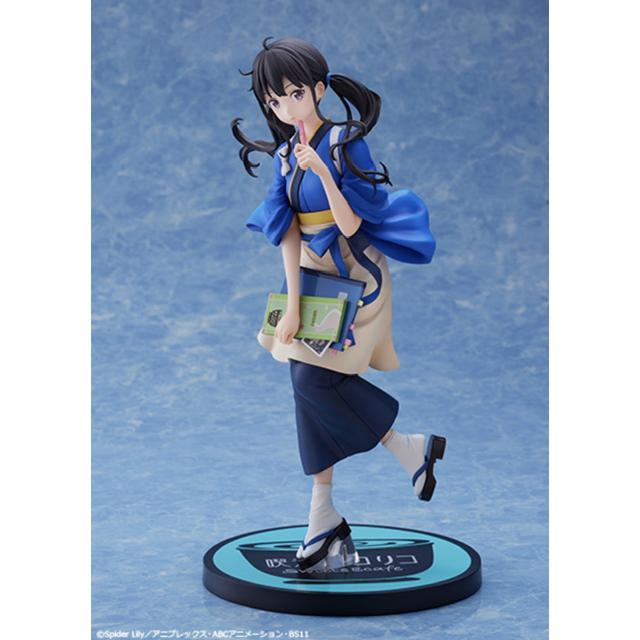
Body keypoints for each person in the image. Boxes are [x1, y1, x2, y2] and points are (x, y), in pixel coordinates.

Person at [231, 37, 446, 572]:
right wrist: (294, 303)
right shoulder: (285, 157)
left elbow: (351, 224)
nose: (286, 107)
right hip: (314, 275)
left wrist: (324, 172)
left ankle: (397, 455)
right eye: (274, 100)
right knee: (303, 381)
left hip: (357, 272)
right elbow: (286, 233)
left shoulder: (346, 143)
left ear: (319, 90)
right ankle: (330, 507)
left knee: (313, 379)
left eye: (294, 94)